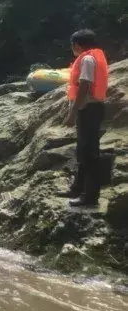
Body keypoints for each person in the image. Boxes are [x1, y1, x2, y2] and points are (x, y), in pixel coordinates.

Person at [59, 29, 109, 208]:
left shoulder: (87, 59)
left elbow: (85, 86)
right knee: (83, 151)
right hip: (89, 109)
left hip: (89, 109)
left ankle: (89, 197)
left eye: (72, 45)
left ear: (77, 45)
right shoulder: (93, 56)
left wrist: (73, 113)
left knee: (89, 155)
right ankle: (77, 188)